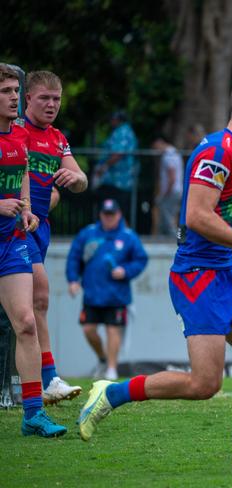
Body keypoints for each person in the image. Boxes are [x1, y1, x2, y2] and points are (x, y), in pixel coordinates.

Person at [77, 78, 232, 475]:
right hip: (198, 278)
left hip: (222, 272)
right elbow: (196, 216)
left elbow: (211, 225)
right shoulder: (216, 150)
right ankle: (111, 393)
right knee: (204, 383)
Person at [0, 64, 66, 437]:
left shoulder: (18, 137)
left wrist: (25, 207)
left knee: (26, 323)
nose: (13, 96)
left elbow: (23, 173)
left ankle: (32, 414)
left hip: (10, 242)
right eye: (6, 91)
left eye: (14, 89)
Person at [24, 70, 87, 404]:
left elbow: (80, 180)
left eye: (56, 99)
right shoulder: (16, 132)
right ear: (27, 98)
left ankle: (33, 386)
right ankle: (48, 379)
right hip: (17, 228)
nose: (51, 105)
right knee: (40, 296)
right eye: (44, 98)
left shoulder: (57, 137)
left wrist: (72, 179)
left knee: (29, 308)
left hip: (41, 228)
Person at [66, 199, 148, 380]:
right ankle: (103, 359)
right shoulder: (88, 234)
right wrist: (73, 280)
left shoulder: (128, 236)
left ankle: (111, 369)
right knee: (88, 329)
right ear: (100, 215)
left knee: (113, 330)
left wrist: (125, 271)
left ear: (119, 215)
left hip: (117, 295)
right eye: (105, 214)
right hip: (92, 295)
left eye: (112, 214)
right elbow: (74, 257)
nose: (108, 218)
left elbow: (141, 259)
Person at [93, 110, 137, 221]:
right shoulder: (122, 131)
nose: (111, 122)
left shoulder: (122, 132)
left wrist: (104, 166)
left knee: (117, 211)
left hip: (119, 180)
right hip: (116, 181)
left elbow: (118, 153)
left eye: (113, 119)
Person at [151, 135, 183, 236]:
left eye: (155, 146)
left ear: (160, 142)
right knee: (169, 217)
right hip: (176, 190)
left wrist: (165, 193)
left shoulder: (168, 155)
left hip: (171, 191)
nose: (155, 149)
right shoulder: (174, 152)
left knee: (168, 219)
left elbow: (172, 177)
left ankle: (174, 240)